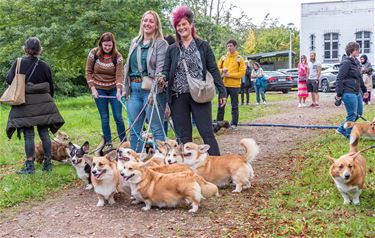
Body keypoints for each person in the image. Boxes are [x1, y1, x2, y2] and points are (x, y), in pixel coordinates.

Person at [163, 5, 227, 156]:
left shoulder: (202, 46)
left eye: (184, 24)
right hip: (178, 97)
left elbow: (213, 69)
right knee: (183, 137)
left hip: (200, 94)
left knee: (207, 133)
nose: (181, 27)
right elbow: (166, 70)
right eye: (178, 25)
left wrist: (222, 91)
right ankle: (187, 171)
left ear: (191, 25)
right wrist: (162, 77)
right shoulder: (172, 49)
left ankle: (217, 167)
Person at [5, 37, 65, 174]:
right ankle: (48, 164)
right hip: (43, 104)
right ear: (39, 49)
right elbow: (51, 86)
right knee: (44, 133)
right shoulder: (44, 65)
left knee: (28, 135)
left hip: (24, 104)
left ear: (25, 48)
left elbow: (9, 80)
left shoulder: (18, 63)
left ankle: (29, 166)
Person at [123, 11, 168, 152]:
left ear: (156, 25)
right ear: (141, 22)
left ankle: (162, 162)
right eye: (145, 20)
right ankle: (136, 164)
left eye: (151, 21)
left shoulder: (161, 44)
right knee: (135, 130)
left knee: (155, 128)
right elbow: (127, 66)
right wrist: (124, 88)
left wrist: (153, 93)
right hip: (134, 90)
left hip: (150, 91)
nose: (147, 23)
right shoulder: (134, 42)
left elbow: (160, 70)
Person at [85, 32, 126, 150]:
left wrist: (119, 90)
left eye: (110, 45)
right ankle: (108, 143)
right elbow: (88, 72)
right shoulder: (94, 54)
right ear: (101, 44)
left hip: (113, 89)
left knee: (118, 116)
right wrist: (93, 88)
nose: (107, 48)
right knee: (104, 117)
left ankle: (124, 141)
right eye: (105, 45)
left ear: (113, 45)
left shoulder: (117, 57)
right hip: (99, 89)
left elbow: (119, 75)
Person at [336, 42, 368, 139]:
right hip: (348, 92)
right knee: (352, 114)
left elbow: (359, 78)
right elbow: (339, 78)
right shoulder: (346, 62)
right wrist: (339, 93)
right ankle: (349, 135)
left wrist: (364, 90)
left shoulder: (356, 62)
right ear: (352, 51)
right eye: (357, 49)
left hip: (357, 92)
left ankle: (341, 128)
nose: (359, 51)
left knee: (358, 113)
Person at [216, 39, 246, 130]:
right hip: (224, 85)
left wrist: (230, 75)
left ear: (235, 46)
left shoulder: (239, 58)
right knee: (221, 104)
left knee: (234, 105)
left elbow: (242, 73)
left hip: (235, 86)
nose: (229, 47)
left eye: (231, 46)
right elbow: (216, 69)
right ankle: (219, 123)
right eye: (228, 46)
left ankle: (234, 124)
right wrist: (222, 71)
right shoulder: (223, 57)